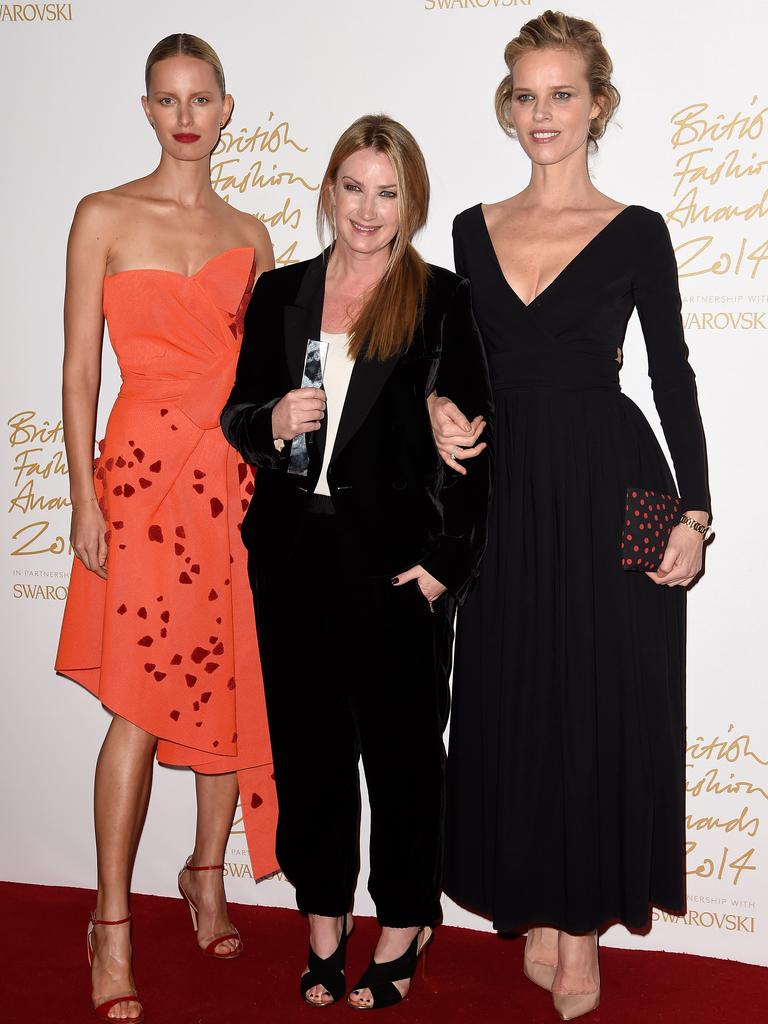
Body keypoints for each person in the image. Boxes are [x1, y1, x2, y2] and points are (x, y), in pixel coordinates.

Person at [429, 11, 710, 1021]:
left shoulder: (637, 229)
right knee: (512, 691)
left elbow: (671, 373)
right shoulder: (468, 227)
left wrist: (695, 511)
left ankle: (581, 927)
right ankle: (537, 909)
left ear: (597, 103)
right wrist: (438, 404)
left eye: (561, 93)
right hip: (506, 489)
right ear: (507, 106)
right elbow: (452, 362)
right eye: (524, 93)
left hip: (614, 480)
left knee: (598, 691)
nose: (541, 112)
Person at [221, 114, 493, 1011]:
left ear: (410, 202)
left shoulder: (441, 299)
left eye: (388, 192)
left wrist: (442, 566)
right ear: (330, 189)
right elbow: (236, 415)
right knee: (310, 750)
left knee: (406, 756)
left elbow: (475, 444)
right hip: (295, 556)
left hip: (394, 570)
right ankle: (324, 917)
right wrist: (269, 425)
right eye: (353, 187)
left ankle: (407, 918)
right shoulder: (282, 292)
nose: (368, 210)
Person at [55, 33, 277, 1023]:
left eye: (202, 98)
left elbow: (276, 383)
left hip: (230, 482)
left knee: (227, 691)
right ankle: (110, 924)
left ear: (226, 108)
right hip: (139, 482)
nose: (186, 115)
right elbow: (75, 374)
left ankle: (204, 875)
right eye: (167, 99)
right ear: (147, 109)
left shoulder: (254, 233)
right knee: (137, 710)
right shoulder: (103, 213)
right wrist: (80, 496)